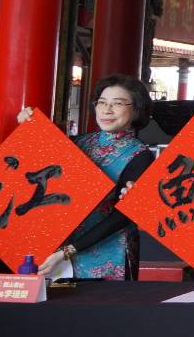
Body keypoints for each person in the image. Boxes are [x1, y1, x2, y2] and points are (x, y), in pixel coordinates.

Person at [21, 76, 156, 280]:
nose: (107, 110)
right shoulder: (79, 142)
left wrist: (68, 251)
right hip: (57, 250)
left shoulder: (140, 155)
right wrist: (29, 124)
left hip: (108, 251)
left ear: (137, 110)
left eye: (117, 103)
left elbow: (123, 216)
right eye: (102, 102)